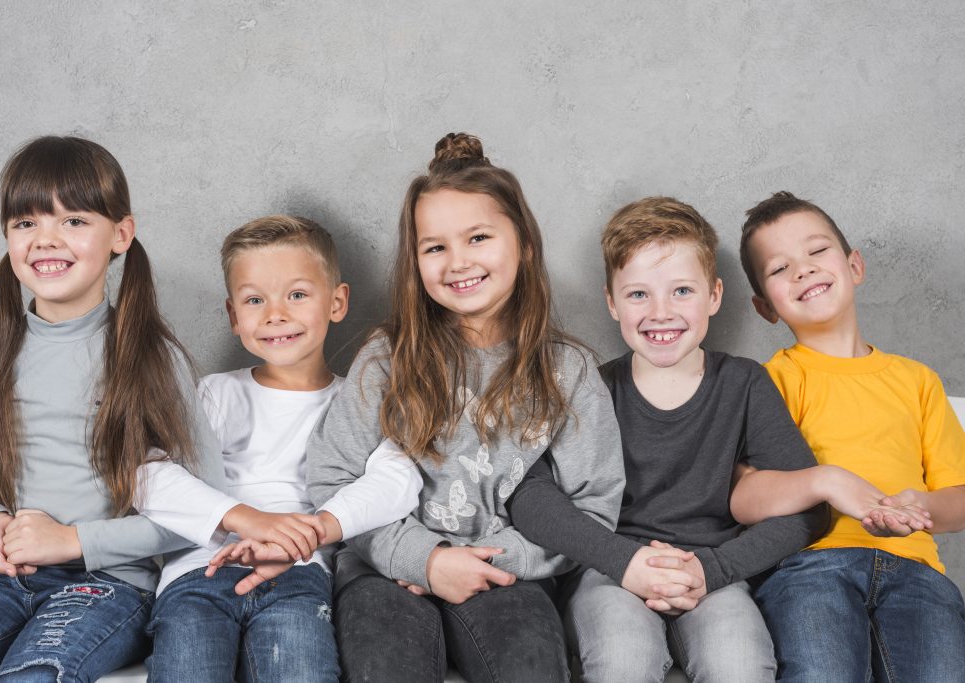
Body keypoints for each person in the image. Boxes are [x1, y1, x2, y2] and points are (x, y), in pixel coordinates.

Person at [305, 132, 625, 683]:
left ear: (524, 243)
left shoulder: (566, 370)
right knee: (386, 668)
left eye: (478, 237)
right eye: (435, 247)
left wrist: (490, 562)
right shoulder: (387, 356)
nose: (458, 262)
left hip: (506, 574)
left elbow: (593, 509)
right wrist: (424, 560)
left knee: (531, 669)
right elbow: (334, 480)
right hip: (385, 570)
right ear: (415, 260)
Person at [508, 196, 828, 682]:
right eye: (638, 294)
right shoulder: (591, 389)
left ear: (714, 295)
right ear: (612, 302)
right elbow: (530, 496)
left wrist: (713, 569)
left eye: (682, 291)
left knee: (739, 663)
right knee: (624, 659)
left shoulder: (744, 384)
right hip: (610, 570)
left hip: (716, 574)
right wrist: (625, 561)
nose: (661, 313)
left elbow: (809, 510)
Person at [0, 136, 225, 682]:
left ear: (120, 234)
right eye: (26, 223)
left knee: (33, 676)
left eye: (73, 220)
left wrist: (73, 541)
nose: (46, 239)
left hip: (110, 586)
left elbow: (205, 513)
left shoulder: (151, 357)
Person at [135, 215, 422, 682]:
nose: (275, 314)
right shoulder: (215, 394)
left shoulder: (358, 401)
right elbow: (146, 473)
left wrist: (309, 533)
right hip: (200, 571)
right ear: (233, 316)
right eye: (255, 300)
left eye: (297, 294)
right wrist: (247, 519)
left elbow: (398, 479)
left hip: (299, 573)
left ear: (337, 302)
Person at [737, 190, 965, 681]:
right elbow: (744, 496)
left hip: (917, 573)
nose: (803, 270)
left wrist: (918, 507)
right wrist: (824, 481)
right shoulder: (770, 382)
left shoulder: (918, 381)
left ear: (854, 265)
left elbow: (959, 499)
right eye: (780, 268)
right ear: (764, 306)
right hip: (810, 569)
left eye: (817, 251)